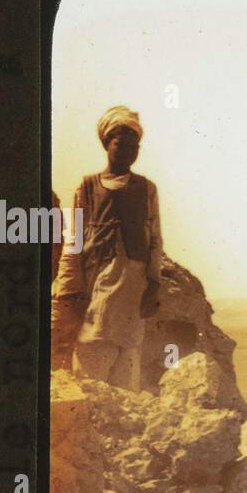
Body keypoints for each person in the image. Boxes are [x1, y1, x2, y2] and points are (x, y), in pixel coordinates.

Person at [51, 105, 163, 390]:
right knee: (91, 362)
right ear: (106, 144)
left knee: (127, 374)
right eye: (120, 143)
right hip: (97, 286)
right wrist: (68, 292)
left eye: (133, 145)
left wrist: (153, 283)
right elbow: (73, 242)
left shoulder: (147, 188)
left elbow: (155, 239)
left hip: (133, 291)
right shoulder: (86, 187)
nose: (127, 150)